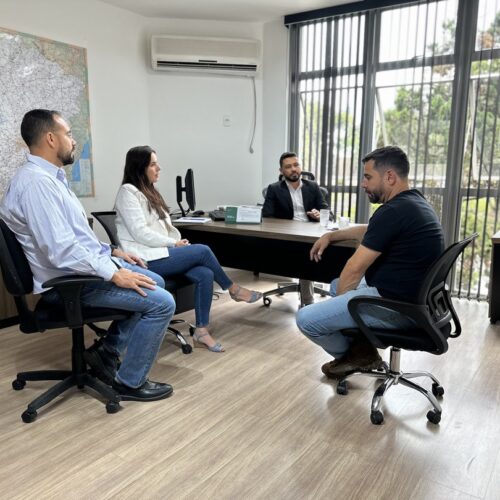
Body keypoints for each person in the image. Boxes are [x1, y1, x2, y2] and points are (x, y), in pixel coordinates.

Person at [0, 109, 176, 402]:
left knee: (155, 279)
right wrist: (112, 273)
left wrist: (112, 252)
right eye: (68, 134)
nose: (72, 140)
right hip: (68, 282)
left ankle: (106, 353)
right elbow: (60, 251)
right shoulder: (36, 184)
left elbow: (74, 237)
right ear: (50, 138)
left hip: (79, 271)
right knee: (161, 303)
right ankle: (129, 383)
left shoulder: (51, 178)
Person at [296, 146, 444, 379]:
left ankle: (357, 355)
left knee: (305, 319)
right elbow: (370, 231)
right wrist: (331, 235)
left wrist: (341, 311)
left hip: (398, 308)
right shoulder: (414, 202)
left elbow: (354, 270)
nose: (363, 184)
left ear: (389, 177)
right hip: (414, 302)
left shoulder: (393, 211)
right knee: (336, 285)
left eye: (367, 177)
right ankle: (361, 349)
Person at [114, 145, 262, 353]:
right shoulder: (128, 192)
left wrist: (176, 243)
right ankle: (233, 289)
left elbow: (161, 227)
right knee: (202, 251)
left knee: (205, 273)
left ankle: (201, 331)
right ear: (140, 167)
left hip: (160, 253)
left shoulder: (149, 192)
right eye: (153, 164)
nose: (159, 168)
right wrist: (173, 244)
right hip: (143, 259)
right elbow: (140, 232)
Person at [262, 152, 329, 306]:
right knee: (304, 254)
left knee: (308, 252)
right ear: (281, 171)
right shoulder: (274, 189)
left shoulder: (312, 186)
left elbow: (327, 212)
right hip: (288, 236)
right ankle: (308, 302)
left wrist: (320, 215)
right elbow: (267, 217)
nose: (293, 169)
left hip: (311, 234)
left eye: (296, 165)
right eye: (288, 166)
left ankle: (308, 301)